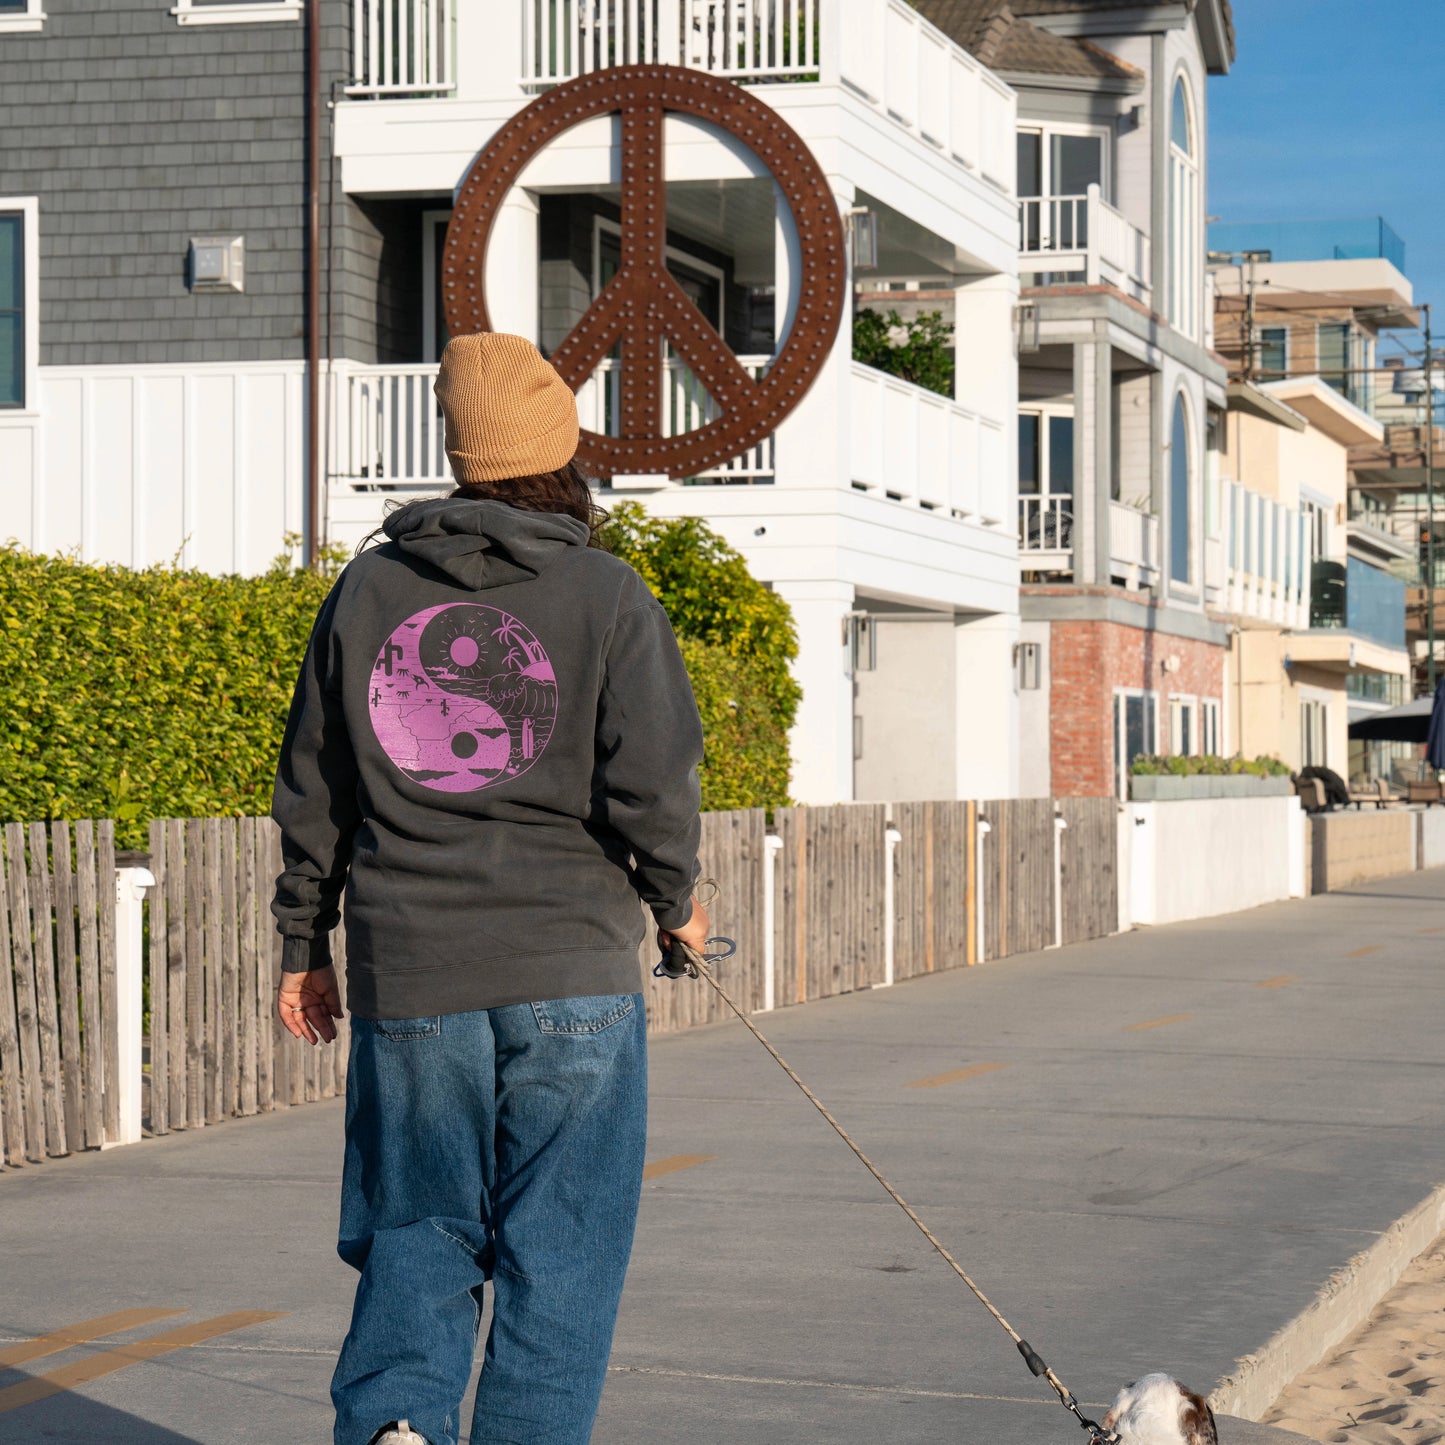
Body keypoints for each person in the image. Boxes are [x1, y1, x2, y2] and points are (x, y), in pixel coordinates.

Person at [270, 332, 709, 1445]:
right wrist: (676, 902)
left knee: (416, 1225)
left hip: (415, 970)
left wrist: (301, 941)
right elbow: (651, 777)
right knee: (559, 1251)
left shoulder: (367, 590)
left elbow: (314, 779)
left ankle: (399, 1424)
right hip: (571, 967)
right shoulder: (605, 591)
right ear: (560, 449)